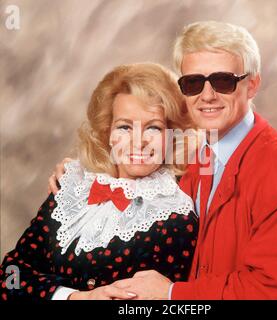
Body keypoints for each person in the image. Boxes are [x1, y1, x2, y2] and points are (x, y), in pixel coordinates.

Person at [49, 21, 277, 299]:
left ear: (252, 85)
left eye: (223, 81)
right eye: (194, 83)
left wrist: (173, 294)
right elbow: (136, 163)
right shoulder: (195, 158)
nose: (207, 95)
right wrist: (81, 175)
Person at [0, 63, 199, 300]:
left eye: (153, 128)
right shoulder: (71, 186)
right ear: (108, 133)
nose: (139, 141)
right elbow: (11, 275)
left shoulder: (176, 215)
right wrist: (74, 297)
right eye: (125, 126)